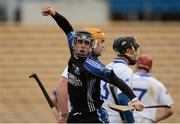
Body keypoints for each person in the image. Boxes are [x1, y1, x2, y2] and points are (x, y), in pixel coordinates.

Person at [41, 4, 143, 123]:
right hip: (76, 113)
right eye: (80, 42)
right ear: (74, 44)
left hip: (94, 116)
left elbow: (116, 80)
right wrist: (53, 13)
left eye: (87, 43)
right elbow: (67, 28)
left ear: (91, 47)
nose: (83, 46)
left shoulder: (94, 67)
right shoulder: (73, 49)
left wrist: (134, 99)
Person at [52, 27, 106, 123]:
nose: (103, 46)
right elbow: (61, 86)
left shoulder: (95, 65)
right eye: (101, 42)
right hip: (79, 115)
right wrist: (64, 114)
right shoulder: (79, 64)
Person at [101, 36, 140, 123]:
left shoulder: (108, 66)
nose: (136, 53)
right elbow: (122, 98)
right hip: (114, 118)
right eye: (135, 49)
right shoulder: (125, 70)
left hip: (103, 116)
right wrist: (131, 121)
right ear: (128, 51)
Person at [132, 54, 174, 123]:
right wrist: (153, 120)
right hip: (146, 121)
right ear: (150, 67)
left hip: (127, 120)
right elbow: (170, 110)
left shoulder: (128, 79)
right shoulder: (157, 84)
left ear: (137, 65)